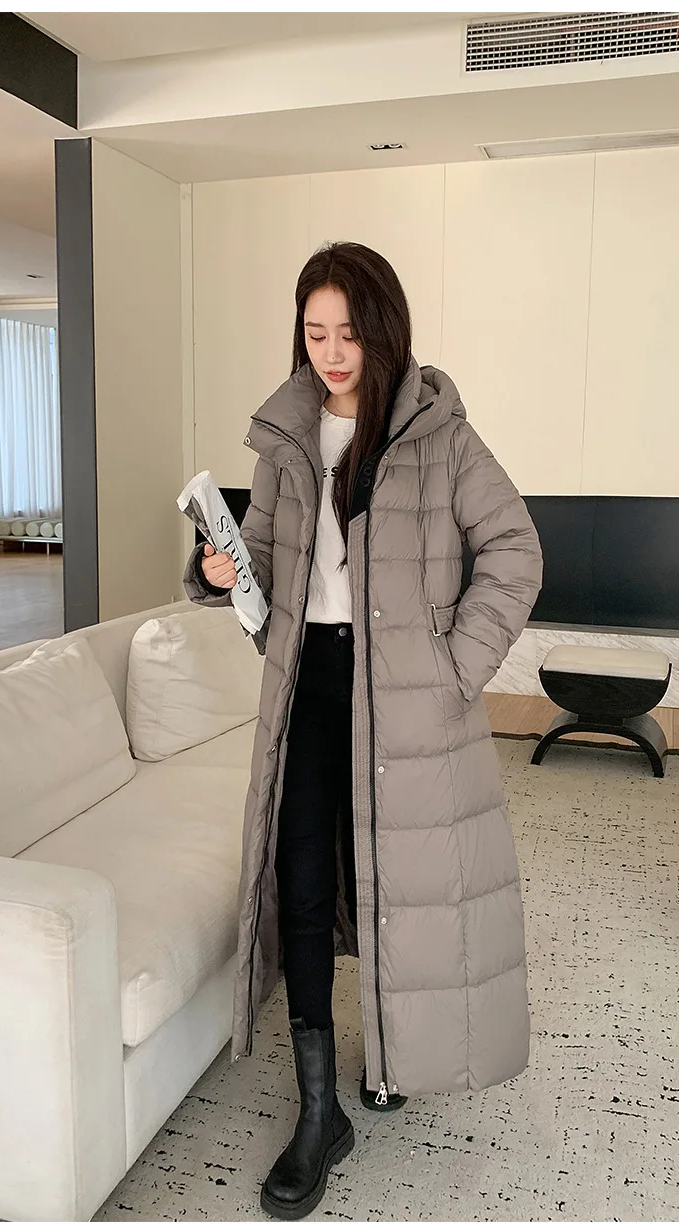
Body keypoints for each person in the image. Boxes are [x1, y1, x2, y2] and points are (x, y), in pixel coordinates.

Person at [184, 242, 543, 1220]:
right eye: (315, 333)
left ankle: (391, 1058)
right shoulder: (285, 438)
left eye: (348, 331)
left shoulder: (438, 432)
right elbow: (263, 557)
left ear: (383, 330)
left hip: (408, 697)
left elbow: (513, 549)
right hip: (307, 686)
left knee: (400, 886)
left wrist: (455, 667)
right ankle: (318, 1112)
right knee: (303, 883)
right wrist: (221, 571)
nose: (332, 351)